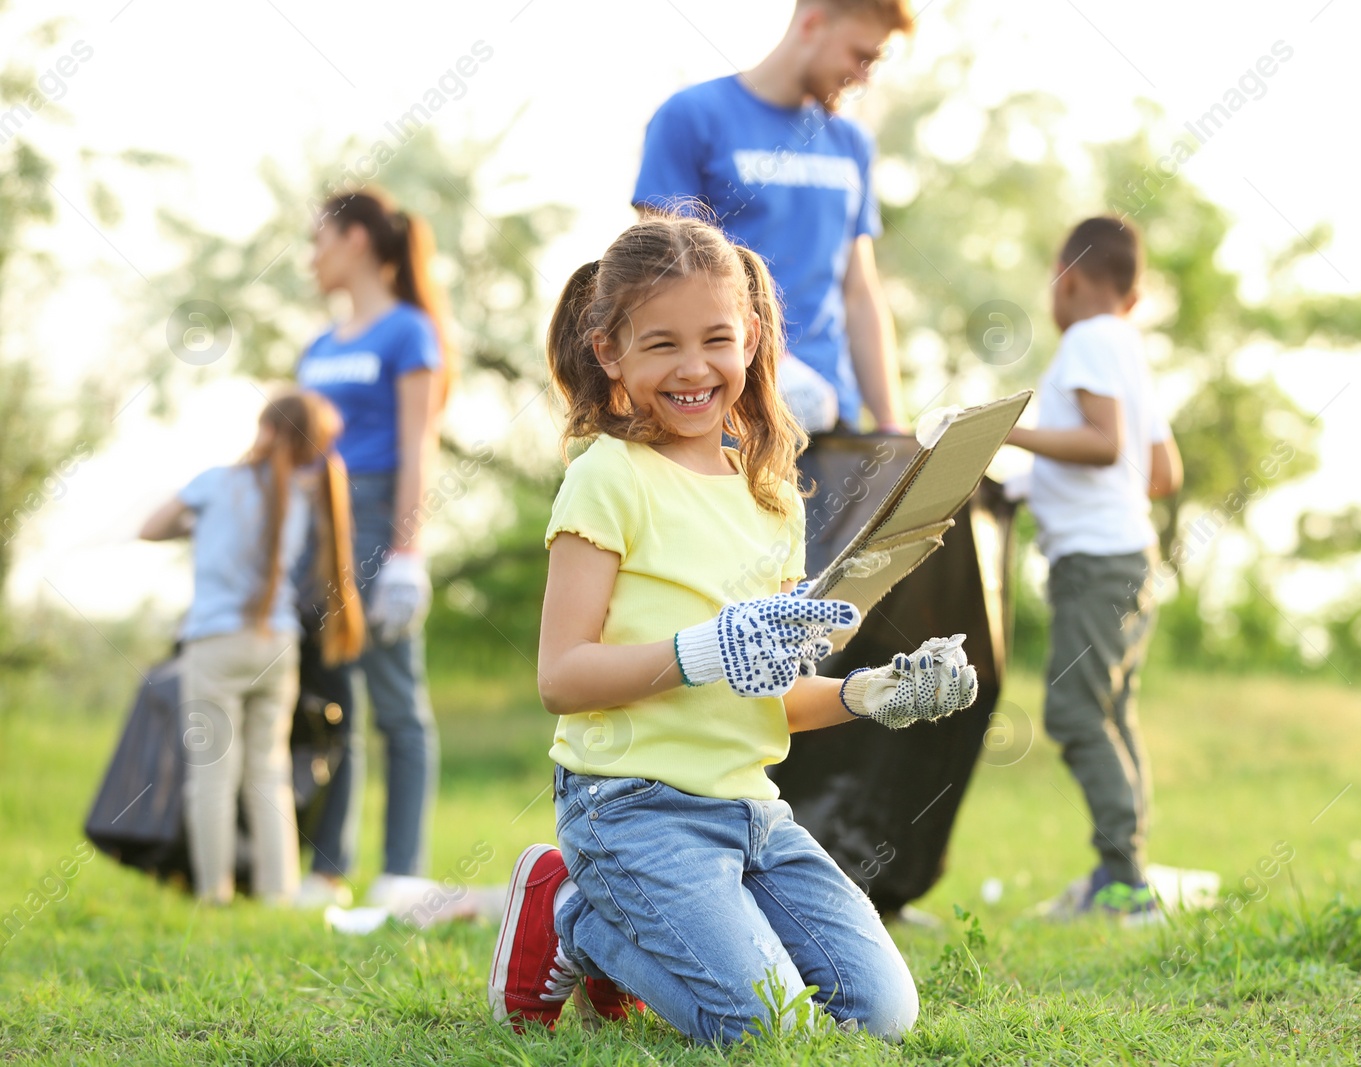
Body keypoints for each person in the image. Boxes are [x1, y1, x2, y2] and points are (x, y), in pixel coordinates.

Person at [484, 213, 979, 1043]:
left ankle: (636, 931)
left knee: (881, 1013)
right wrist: (702, 650)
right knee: (767, 1027)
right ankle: (573, 907)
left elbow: (774, 696)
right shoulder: (606, 477)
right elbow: (560, 677)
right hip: (628, 805)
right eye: (660, 345)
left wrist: (873, 692)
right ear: (609, 351)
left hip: (751, 811)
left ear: (750, 336)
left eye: (715, 338)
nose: (693, 368)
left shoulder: (773, 497)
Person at [1004, 217, 1183, 924]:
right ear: (1134, 296)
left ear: (1067, 278)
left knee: (1075, 711)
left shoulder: (1085, 340)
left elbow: (1105, 446)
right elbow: (1160, 470)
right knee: (1113, 711)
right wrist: (1034, 485)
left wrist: (1002, 432)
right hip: (1133, 555)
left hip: (1097, 562)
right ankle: (1122, 870)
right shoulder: (1127, 348)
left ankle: (1128, 883)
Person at [632, 0, 913, 433]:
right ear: (815, 24)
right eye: (861, 56)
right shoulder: (691, 117)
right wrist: (766, 361)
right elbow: (659, 277)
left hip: (830, 416)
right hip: (724, 415)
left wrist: (892, 428)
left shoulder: (850, 143)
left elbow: (859, 293)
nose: (864, 76)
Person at [292, 187, 452, 907]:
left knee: (397, 704)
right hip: (316, 532)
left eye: (319, 241)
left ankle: (403, 870)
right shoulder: (318, 347)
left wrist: (408, 554)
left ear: (357, 239)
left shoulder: (408, 331)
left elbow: (420, 444)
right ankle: (328, 869)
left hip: (381, 519)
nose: (312, 258)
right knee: (333, 705)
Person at [140, 391, 363, 905]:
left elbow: (151, 528)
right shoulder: (307, 493)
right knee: (268, 768)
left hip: (214, 642)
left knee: (213, 772)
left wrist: (194, 525)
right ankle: (278, 889)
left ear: (266, 429)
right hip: (276, 643)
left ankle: (213, 891)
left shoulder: (215, 483)